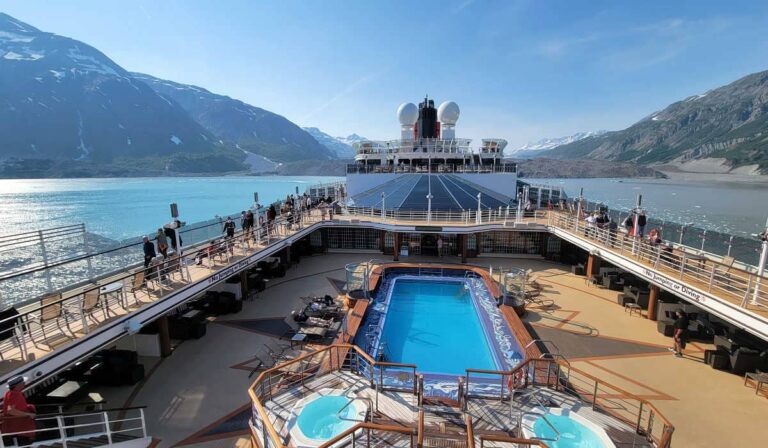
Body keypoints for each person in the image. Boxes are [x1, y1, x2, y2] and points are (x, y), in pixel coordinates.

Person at [2, 376, 37, 446]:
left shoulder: (8, 393)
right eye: (23, 382)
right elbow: (11, 411)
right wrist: (28, 414)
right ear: (17, 385)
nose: (24, 383)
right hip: (19, 430)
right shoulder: (15, 394)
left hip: (15, 429)